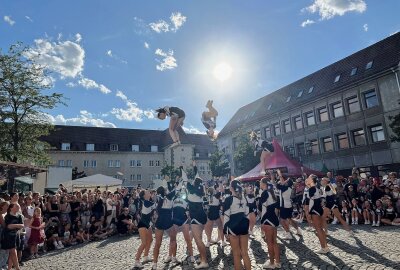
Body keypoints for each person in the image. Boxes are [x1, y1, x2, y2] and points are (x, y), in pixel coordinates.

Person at [184, 164, 209, 269]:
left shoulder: (191, 193)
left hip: (196, 217)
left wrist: (182, 170)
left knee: (198, 239)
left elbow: (185, 180)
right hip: (202, 216)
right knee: (200, 238)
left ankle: (204, 261)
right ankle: (202, 258)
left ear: (194, 184)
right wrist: (195, 168)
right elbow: (197, 178)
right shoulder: (200, 192)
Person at [222, 180, 251, 270]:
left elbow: (226, 217)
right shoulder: (244, 198)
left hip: (233, 227)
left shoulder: (228, 199)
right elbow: (247, 214)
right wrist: (247, 227)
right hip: (243, 226)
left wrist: (225, 231)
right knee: (245, 253)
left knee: (236, 254)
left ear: (231, 188)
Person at [258, 177, 280, 269]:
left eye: (260, 182)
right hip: (274, 218)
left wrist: (262, 222)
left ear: (264, 184)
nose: (259, 184)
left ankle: (271, 263)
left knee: (269, 243)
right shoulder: (273, 192)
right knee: (274, 242)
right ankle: (277, 262)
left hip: (267, 219)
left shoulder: (264, 193)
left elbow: (260, 208)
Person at [152, 185, 175, 270]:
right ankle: (173, 257)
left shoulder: (158, 198)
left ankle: (155, 263)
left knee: (157, 244)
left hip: (160, 221)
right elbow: (175, 191)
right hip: (168, 221)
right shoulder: (168, 198)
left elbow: (155, 209)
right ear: (164, 192)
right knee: (173, 239)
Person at [275, 170, 302, 240]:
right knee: (289, 219)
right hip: (288, 205)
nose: (279, 180)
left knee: (282, 220)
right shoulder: (288, 187)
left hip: (284, 205)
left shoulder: (284, 187)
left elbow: (278, 185)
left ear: (284, 180)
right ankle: (298, 230)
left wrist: (280, 175)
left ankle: (288, 233)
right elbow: (279, 184)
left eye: (280, 179)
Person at [306, 174, 329, 254]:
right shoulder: (317, 188)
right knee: (320, 229)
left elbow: (311, 201)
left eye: (309, 178)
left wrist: (309, 212)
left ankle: (323, 248)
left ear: (312, 180)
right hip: (319, 208)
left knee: (318, 229)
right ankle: (325, 246)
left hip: (315, 209)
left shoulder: (312, 189)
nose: (307, 179)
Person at [134, 190, 156, 268]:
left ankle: (145, 257)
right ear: (144, 195)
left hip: (147, 224)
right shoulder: (146, 202)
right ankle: (137, 261)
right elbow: (156, 205)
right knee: (144, 243)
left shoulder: (147, 201)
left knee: (150, 240)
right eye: (147, 192)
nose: (149, 193)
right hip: (142, 225)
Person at [1, 203, 25, 270]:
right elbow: (8, 226)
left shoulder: (19, 216)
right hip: (8, 236)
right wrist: (18, 225)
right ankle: (17, 268)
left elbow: (22, 226)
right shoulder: (8, 216)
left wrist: (14, 225)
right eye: (16, 206)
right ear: (11, 208)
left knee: (12, 253)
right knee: (13, 252)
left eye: (18, 206)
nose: (18, 207)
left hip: (16, 235)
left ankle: (9, 268)